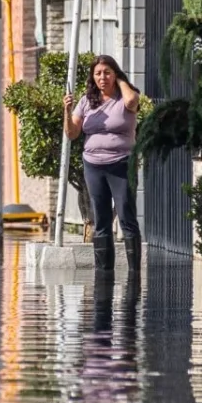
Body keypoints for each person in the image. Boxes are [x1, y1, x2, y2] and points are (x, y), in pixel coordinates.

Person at [63, 54, 143, 272]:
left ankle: (134, 274)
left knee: (126, 215)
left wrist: (120, 82)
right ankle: (103, 273)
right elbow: (72, 133)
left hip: (121, 163)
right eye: (98, 73)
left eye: (107, 72)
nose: (102, 77)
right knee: (101, 219)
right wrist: (66, 111)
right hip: (93, 165)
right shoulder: (87, 101)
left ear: (115, 74)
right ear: (92, 77)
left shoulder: (125, 97)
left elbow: (132, 102)